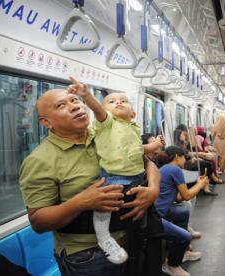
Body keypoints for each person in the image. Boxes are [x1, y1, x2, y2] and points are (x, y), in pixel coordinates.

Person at [19, 86, 159, 275]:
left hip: (132, 238)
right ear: (46, 122)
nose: (75, 107)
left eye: (75, 100)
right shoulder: (40, 160)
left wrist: (153, 189)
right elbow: (38, 221)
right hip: (87, 255)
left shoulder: (105, 133)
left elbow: (147, 164)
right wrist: (82, 201)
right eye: (61, 105)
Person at [66, 77, 162, 264]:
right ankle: (104, 238)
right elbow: (99, 110)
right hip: (114, 176)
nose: (118, 102)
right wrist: (87, 95)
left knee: (137, 213)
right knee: (105, 208)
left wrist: (156, 145)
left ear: (133, 114)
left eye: (123, 101)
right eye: (111, 101)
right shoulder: (107, 123)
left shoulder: (133, 128)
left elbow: (138, 150)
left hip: (136, 177)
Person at [156, 146, 209, 276]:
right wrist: (200, 185)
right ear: (176, 157)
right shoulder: (174, 169)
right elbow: (186, 196)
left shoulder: (166, 169)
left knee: (183, 211)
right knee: (185, 236)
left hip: (162, 209)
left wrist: (197, 185)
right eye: (184, 157)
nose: (185, 161)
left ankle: (183, 252)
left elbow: (178, 198)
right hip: (155, 216)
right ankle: (171, 265)